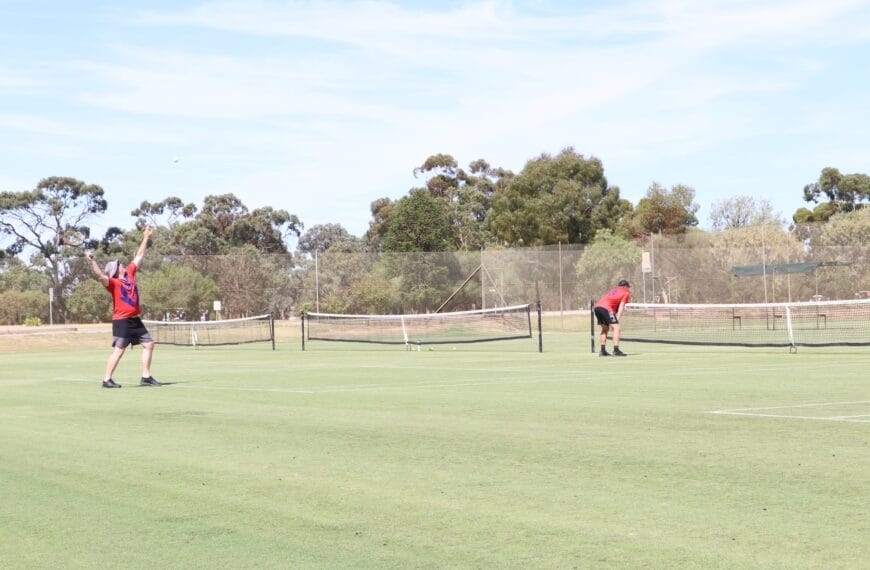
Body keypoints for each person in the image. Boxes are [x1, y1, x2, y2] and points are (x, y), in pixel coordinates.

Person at [86, 226, 162, 388]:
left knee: (149, 344)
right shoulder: (112, 283)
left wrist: (146, 236)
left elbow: (140, 255)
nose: (121, 265)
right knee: (119, 350)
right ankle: (107, 380)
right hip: (122, 321)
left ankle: (146, 377)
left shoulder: (130, 273)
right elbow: (100, 276)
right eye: (118, 265)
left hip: (135, 320)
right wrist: (91, 260)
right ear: (115, 271)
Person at [593, 279, 631, 357]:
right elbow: (621, 306)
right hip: (606, 308)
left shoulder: (614, 290)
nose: (628, 289)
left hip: (597, 307)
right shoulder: (626, 292)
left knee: (605, 328)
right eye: (628, 287)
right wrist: (617, 319)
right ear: (625, 286)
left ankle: (602, 351)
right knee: (617, 328)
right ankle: (616, 350)